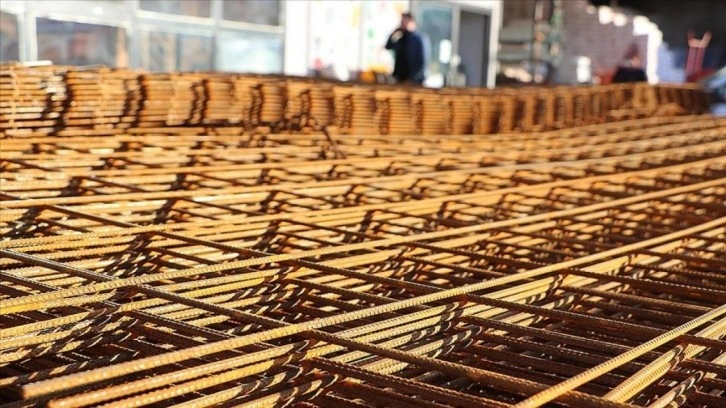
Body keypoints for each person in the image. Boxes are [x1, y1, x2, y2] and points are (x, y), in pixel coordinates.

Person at [385, 13, 428, 85]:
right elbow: (388, 46)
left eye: (404, 22)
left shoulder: (419, 39)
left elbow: (422, 61)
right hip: (400, 79)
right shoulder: (401, 39)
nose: (402, 24)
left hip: (414, 81)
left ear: (411, 22)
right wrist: (394, 32)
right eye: (401, 22)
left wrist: (413, 78)